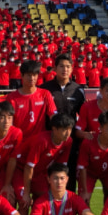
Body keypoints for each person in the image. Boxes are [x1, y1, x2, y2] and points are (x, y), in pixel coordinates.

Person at [40, 53, 86, 191]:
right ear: (55, 68)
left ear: (72, 69)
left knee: (69, 176)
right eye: (61, 66)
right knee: (47, 176)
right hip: (49, 140)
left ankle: (69, 209)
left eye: (68, 66)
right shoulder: (44, 88)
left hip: (70, 141)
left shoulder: (78, 90)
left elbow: (83, 116)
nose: (64, 69)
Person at [14, 113, 75, 210]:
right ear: (54, 129)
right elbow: (28, 167)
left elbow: (59, 167)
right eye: (64, 129)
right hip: (21, 171)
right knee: (24, 203)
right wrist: (26, 193)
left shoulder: (68, 141)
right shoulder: (42, 141)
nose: (68, 133)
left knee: (46, 200)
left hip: (40, 173)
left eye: (70, 129)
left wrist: (56, 188)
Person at [77, 109, 108, 204]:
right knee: (83, 200)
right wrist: (84, 191)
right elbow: (82, 168)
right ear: (100, 127)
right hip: (90, 173)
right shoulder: (88, 142)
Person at [5, 60, 57, 139]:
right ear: (21, 75)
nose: (32, 78)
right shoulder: (11, 98)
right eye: (29, 75)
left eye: (34, 75)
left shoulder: (45, 94)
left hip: (40, 141)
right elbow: (8, 123)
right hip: (20, 142)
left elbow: (53, 116)